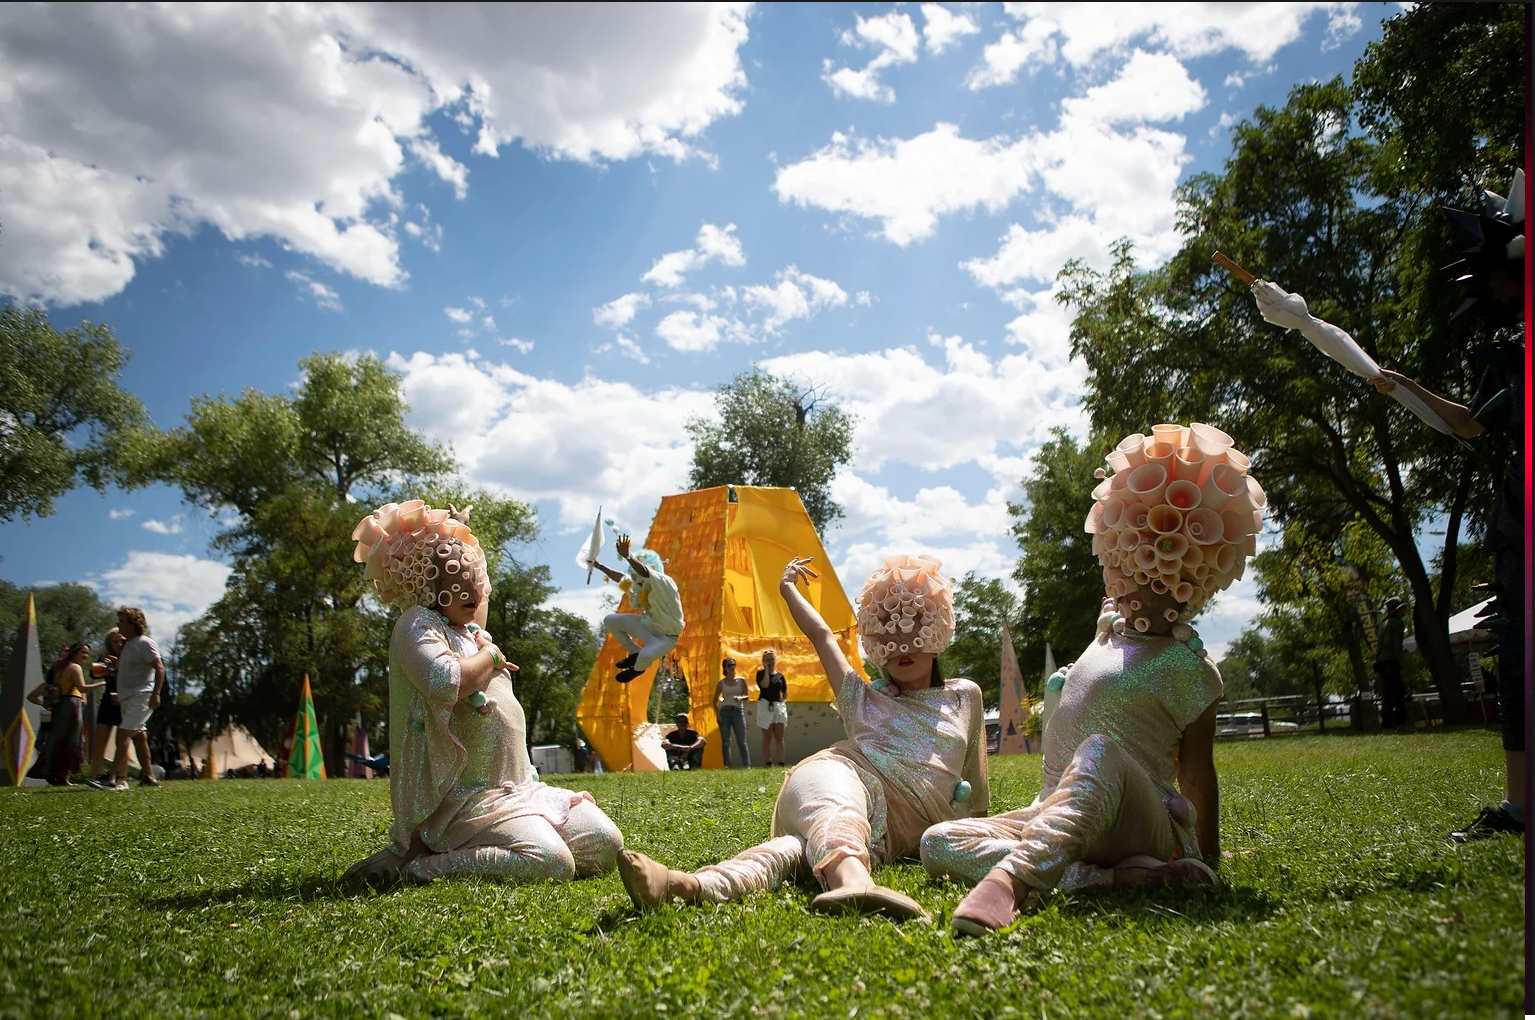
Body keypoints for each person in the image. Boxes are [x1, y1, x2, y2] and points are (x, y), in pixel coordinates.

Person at [1257, 172, 1526, 843]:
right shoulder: (1508, 357)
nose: (1491, 287)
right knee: (1518, 652)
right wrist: (1391, 380)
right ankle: (1520, 805)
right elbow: (1468, 425)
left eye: (1499, 272)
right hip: (1519, 511)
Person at [925, 424, 1251, 936]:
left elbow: (1196, 777)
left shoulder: (1194, 670)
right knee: (938, 841)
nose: (1142, 587)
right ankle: (1111, 880)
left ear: (1193, 579)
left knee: (1099, 749)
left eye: (1162, 576)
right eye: (1135, 567)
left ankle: (1011, 881)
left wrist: (1206, 856)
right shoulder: (1104, 637)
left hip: (1140, 821)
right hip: (1055, 812)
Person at [617, 554, 989, 921]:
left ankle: (684, 885)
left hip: (875, 834)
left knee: (794, 852)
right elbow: (821, 633)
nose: (901, 642)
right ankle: (854, 882)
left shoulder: (964, 696)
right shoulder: (861, 698)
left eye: (912, 624)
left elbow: (976, 790)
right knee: (838, 821)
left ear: (937, 628)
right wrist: (786, 587)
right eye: (887, 628)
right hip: (835, 781)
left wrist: (975, 837)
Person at [343, 501, 623, 886]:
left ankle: (497, 841)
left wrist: (460, 536)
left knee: (606, 843)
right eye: (458, 580)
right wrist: (490, 656)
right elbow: (446, 681)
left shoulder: (467, 629)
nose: (474, 588)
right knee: (551, 863)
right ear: (428, 583)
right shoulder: (417, 623)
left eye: (472, 577)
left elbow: (479, 596)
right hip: (466, 801)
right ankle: (417, 867)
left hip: (520, 789)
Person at [590, 534, 685, 684]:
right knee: (611, 621)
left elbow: (643, 571)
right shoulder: (641, 585)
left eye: (636, 575)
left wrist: (628, 556)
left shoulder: (664, 581)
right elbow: (622, 578)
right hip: (650, 630)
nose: (635, 580)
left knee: (645, 656)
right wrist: (598, 565)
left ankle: (637, 669)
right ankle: (634, 652)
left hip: (667, 638)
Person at [28, 642, 104, 785]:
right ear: (74, 652)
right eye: (83, 652)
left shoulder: (57, 669)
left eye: (87, 653)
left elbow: (32, 695)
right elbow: (82, 688)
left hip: (59, 707)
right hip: (72, 707)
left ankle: (50, 773)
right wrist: (101, 684)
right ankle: (64, 777)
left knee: (56, 741)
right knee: (72, 742)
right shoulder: (75, 667)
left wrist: (44, 705)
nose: (86, 656)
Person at [110, 607, 164, 790]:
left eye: (122, 621)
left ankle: (111, 778)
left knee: (123, 734)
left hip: (142, 695)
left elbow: (160, 668)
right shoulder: (128, 645)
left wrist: (156, 694)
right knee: (139, 738)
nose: (118, 625)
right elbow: (129, 673)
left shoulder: (144, 643)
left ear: (134, 624)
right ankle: (149, 777)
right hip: (128, 698)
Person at [85, 629, 125, 789]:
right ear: (109, 643)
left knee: (122, 740)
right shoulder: (105, 656)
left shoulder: (129, 656)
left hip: (125, 698)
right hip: (108, 698)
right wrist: (105, 666)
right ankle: (96, 776)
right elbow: (94, 673)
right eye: (115, 641)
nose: (118, 644)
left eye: (121, 641)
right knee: (100, 737)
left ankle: (122, 778)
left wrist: (117, 667)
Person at [1374, 597, 1409, 732]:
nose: (1404, 611)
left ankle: (1387, 726)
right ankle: (1401, 724)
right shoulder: (1397, 624)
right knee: (1399, 693)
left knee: (1387, 695)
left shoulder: (1383, 624)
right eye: (1402, 608)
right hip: (1393, 661)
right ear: (1397, 610)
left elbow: (1378, 646)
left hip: (1382, 662)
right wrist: (1403, 664)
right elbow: (1397, 647)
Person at [713, 657, 751, 768]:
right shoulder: (721, 683)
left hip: (738, 711)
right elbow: (714, 701)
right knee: (726, 740)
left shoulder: (741, 680)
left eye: (733, 665)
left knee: (741, 740)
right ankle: (727, 765)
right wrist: (717, 714)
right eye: (729, 665)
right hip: (724, 711)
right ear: (725, 668)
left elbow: (747, 696)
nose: (732, 667)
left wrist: (740, 698)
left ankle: (747, 765)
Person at [756, 650, 788, 767]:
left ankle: (781, 762)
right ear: (764, 661)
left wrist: (783, 702)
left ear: (775, 660)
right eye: (767, 659)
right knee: (767, 736)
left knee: (779, 736)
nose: (770, 662)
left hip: (778, 707)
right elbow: (765, 685)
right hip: (765, 706)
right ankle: (768, 762)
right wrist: (766, 671)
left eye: (771, 659)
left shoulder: (780, 676)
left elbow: (784, 692)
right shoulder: (760, 674)